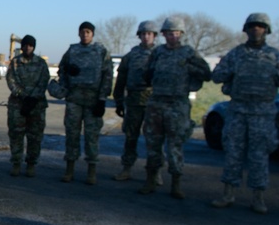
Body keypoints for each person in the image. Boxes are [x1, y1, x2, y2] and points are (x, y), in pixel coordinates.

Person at [210, 13, 279, 213]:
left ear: (266, 30)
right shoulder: (236, 54)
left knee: (259, 156)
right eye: (252, 26)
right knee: (233, 153)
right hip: (238, 111)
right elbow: (217, 76)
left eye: (260, 26)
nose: (256, 30)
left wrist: (274, 72)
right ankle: (228, 194)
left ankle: (258, 198)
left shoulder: (275, 56)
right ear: (246, 30)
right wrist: (230, 73)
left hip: (262, 113)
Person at [140, 17, 212, 198]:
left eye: (176, 33)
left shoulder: (189, 53)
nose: (173, 36)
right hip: (157, 102)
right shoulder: (158, 53)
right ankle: (151, 180)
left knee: (175, 145)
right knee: (153, 144)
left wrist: (189, 68)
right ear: (163, 34)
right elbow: (147, 75)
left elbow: (206, 74)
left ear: (181, 34)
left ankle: (176, 183)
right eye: (169, 33)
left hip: (178, 103)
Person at [53, 21, 113, 184]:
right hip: (74, 98)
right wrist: (67, 72)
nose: (85, 34)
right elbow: (61, 69)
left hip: (93, 99)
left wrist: (102, 99)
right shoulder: (72, 50)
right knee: (72, 134)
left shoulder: (101, 51)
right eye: (82, 32)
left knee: (91, 136)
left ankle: (91, 171)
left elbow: (107, 75)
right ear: (78, 34)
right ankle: (69, 169)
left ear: (92, 34)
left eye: (88, 32)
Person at [113, 20, 160, 184]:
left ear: (154, 36)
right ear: (139, 36)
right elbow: (121, 79)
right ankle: (126, 168)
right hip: (133, 100)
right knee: (131, 136)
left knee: (154, 138)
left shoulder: (161, 54)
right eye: (143, 34)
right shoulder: (132, 55)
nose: (146, 37)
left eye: (149, 34)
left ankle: (155, 172)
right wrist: (118, 100)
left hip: (154, 101)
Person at [5, 34, 50, 176]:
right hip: (18, 105)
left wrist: (33, 98)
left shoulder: (41, 63)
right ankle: (16, 163)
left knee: (35, 136)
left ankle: (31, 164)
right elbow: (10, 80)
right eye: (25, 45)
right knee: (16, 135)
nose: (27, 47)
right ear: (22, 46)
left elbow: (44, 81)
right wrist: (22, 95)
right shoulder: (15, 62)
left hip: (36, 105)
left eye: (30, 45)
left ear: (34, 47)